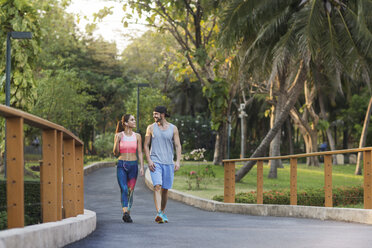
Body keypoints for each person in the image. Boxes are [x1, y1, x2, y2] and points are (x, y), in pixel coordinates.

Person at [144, 106, 182, 224]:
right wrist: (149, 160)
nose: (154, 116)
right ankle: (159, 212)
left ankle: (162, 212)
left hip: (168, 162)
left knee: (165, 190)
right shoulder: (151, 128)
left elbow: (177, 145)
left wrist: (178, 161)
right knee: (157, 186)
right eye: (153, 114)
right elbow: (146, 145)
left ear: (163, 114)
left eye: (156, 114)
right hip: (156, 162)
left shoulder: (173, 128)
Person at [113, 114, 144, 223]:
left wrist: (142, 167)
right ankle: (125, 212)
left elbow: (140, 152)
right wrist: (117, 140)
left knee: (131, 191)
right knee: (124, 189)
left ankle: (127, 213)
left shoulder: (138, 136)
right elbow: (115, 153)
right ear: (126, 123)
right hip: (122, 164)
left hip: (133, 165)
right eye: (132, 120)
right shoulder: (119, 135)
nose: (134, 121)